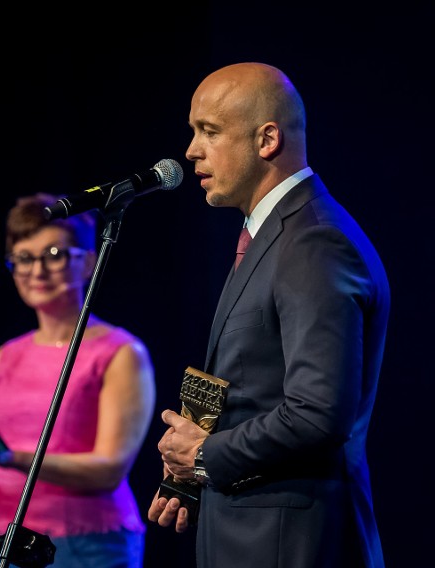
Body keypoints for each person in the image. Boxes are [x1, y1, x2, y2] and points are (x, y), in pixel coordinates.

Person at [147, 62, 389, 568]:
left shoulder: (314, 242)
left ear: (267, 139)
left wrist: (206, 457)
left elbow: (319, 414)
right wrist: (191, 475)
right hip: (248, 530)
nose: (191, 150)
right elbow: (255, 387)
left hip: (291, 542)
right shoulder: (271, 237)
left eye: (208, 131)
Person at [0, 193, 156, 568]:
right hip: (6, 544)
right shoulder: (6, 355)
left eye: (54, 255)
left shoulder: (122, 352)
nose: (37, 271)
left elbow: (109, 470)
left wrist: (13, 458)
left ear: (88, 262)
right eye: (24, 258)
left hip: (89, 546)